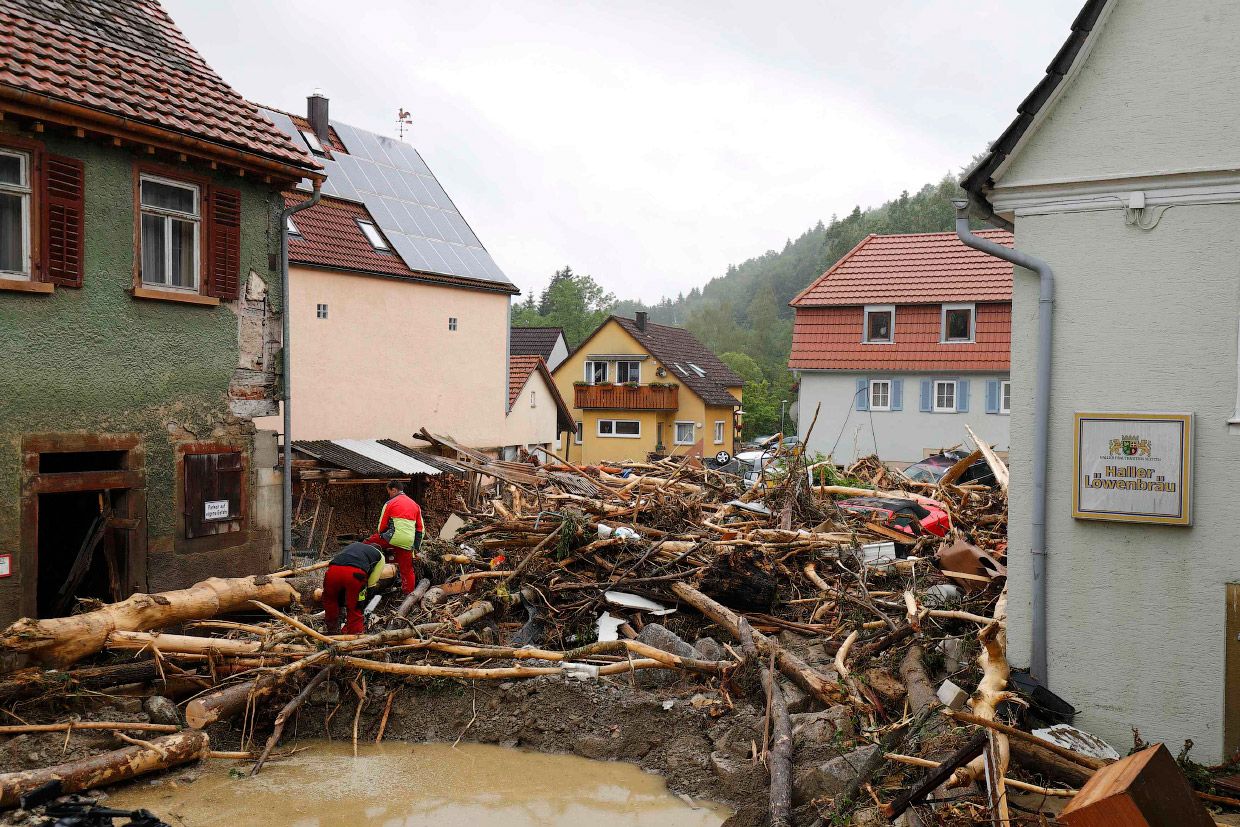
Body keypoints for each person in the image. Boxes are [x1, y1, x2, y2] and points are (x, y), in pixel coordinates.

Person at [367, 480, 424, 595]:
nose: (389, 495)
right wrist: (415, 547)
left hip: (393, 538)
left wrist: (383, 535)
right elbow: (420, 529)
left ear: (394, 490)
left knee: (367, 544)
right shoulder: (416, 505)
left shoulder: (390, 503)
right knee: (407, 571)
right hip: (408, 542)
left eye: (389, 492)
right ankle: (409, 596)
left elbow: (381, 525)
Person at [322, 541, 385, 635]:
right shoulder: (380, 557)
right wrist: (365, 601)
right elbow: (371, 583)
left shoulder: (353, 545)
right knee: (356, 609)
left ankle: (332, 633)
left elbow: (343, 569)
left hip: (333, 571)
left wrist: (342, 603)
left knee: (330, 602)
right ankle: (353, 639)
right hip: (355, 575)